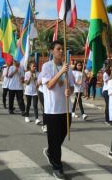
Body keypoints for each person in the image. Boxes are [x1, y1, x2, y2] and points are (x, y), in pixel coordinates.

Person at [41, 40, 74, 179]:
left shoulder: (68, 69)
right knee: (54, 140)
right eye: (58, 49)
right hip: (52, 110)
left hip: (66, 108)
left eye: (63, 49)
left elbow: (71, 86)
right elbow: (49, 85)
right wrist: (61, 71)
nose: (61, 51)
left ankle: (51, 152)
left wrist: (69, 90)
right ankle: (57, 167)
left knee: (62, 135)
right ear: (51, 51)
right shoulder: (46, 66)